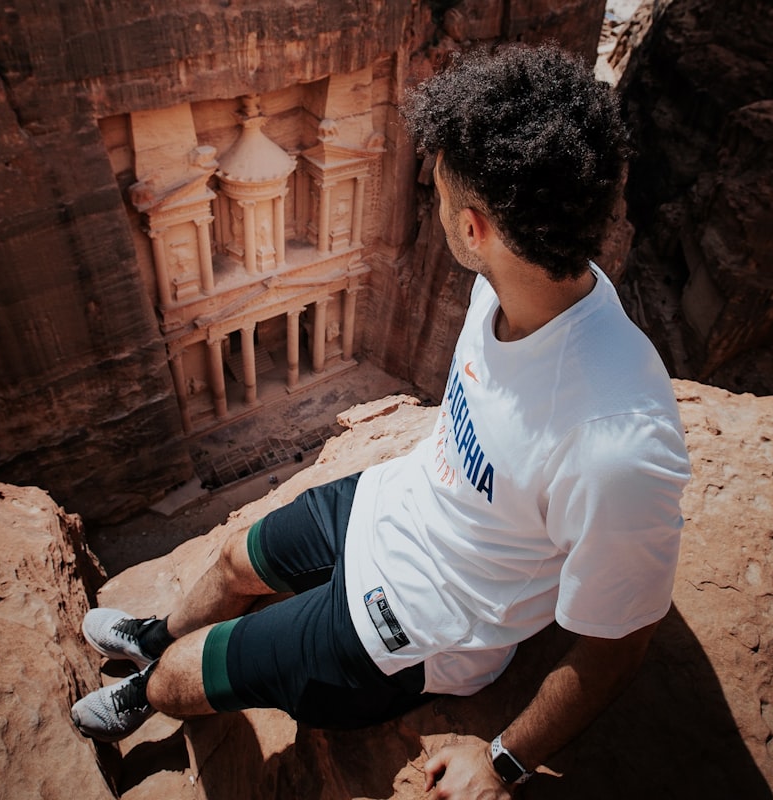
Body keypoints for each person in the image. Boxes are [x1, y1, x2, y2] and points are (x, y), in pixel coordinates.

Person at [71, 43, 690, 798]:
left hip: (411, 625)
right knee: (236, 559)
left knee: (191, 673)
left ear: (475, 229)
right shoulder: (517, 285)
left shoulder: (615, 443)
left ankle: (150, 688)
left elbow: (618, 641)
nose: (427, 204)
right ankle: (153, 634)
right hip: (390, 505)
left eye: (436, 192)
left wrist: (502, 760)